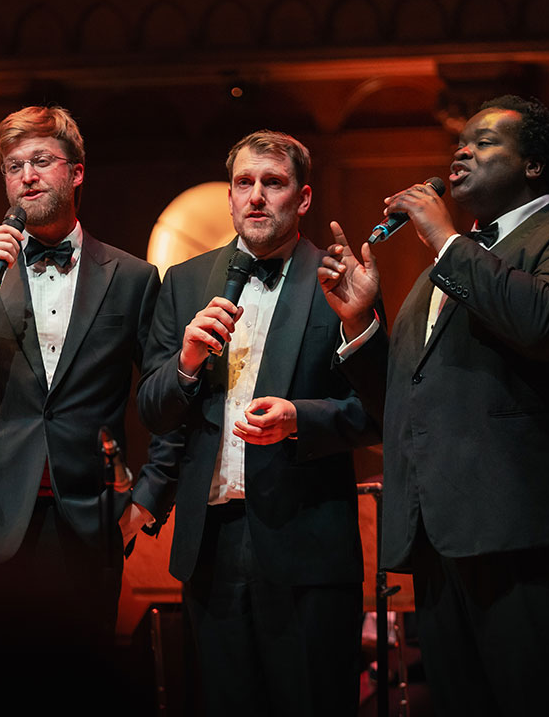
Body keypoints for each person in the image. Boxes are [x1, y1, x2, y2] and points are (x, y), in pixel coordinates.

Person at [318, 95, 549, 716]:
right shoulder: (449, 265)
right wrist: (360, 325)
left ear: (534, 166)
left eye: (484, 142)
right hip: (445, 543)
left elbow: (544, 323)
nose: (461, 151)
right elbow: (409, 407)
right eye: (460, 141)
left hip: (537, 543)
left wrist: (441, 237)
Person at [0, 106, 160, 703]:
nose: (27, 176)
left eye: (41, 161)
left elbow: (161, 396)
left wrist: (147, 497)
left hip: (82, 527)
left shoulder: (132, 278)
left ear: (75, 173)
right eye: (14, 166)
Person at [133, 130, 369, 716]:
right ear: (231, 196)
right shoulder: (185, 281)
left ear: (304, 198)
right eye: (245, 183)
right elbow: (152, 409)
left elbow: (377, 410)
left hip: (305, 536)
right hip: (211, 541)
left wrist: (300, 419)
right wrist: (186, 364)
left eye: (274, 183)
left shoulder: (338, 278)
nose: (257, 196)